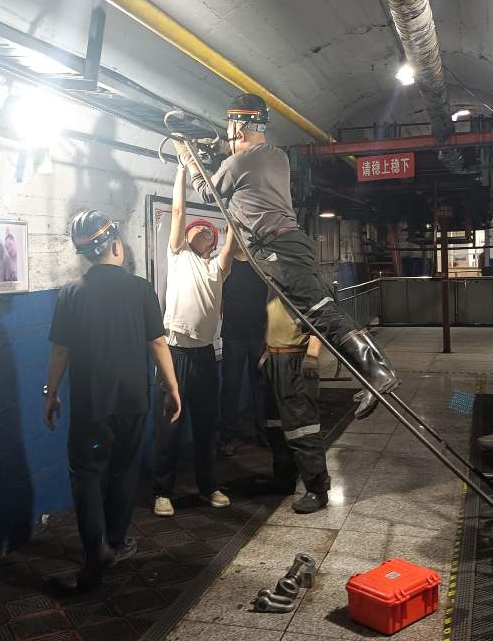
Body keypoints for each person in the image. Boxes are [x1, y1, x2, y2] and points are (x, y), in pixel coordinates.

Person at [178, 92, 400, 420]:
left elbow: (208, 193)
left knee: (320, 312)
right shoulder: (277, 156)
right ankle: (372, 374)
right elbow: (240, 177)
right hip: (293, 244)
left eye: (229, 128)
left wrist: (188, 158)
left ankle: (378, 372)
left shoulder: (237, 163)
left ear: (238, 128)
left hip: (277, 249)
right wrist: (216, 156)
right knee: (317, 311)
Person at [43, 210, 182, 591]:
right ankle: (116, 543)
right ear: (116, 245)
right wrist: (172, 388)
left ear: (85, 254)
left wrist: (50, 394)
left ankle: (95, 552)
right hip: (133, 402)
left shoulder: (71, 294)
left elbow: (60, 352)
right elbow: (158, 343)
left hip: (91, 405)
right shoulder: (141, 290)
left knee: (86, 474)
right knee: (124, 471)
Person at [152, 164, 236, 517]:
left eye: (206, 230)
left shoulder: (218, 268)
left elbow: (234, 233)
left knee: (205, 425)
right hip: (174, 354)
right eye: (195, 228)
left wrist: (236, 195)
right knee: (169, 426)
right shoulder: (178, 255)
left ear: (213, 242)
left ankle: (209, 485)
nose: (200, 229)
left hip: (204, 356)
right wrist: (182, 170)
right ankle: (162, 492)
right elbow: (178, 211)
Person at [261, 295, 331, 513]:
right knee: (276, 423)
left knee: (303, 427)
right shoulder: (273, 284)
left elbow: (323, 319)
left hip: (296, 360)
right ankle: (284, 478)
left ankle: (317, 490)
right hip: (274, 358)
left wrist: (312, 354)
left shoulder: (305, 282)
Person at [219, 245, 269, 455]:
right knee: (231, 388)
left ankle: (263, 433)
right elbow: (218, 299)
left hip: (258, 336)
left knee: (260, 387)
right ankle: (227, 437)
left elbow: (269, 300)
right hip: (233, 337)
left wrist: (268, 335)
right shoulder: (226, 264)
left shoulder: (261, 264)